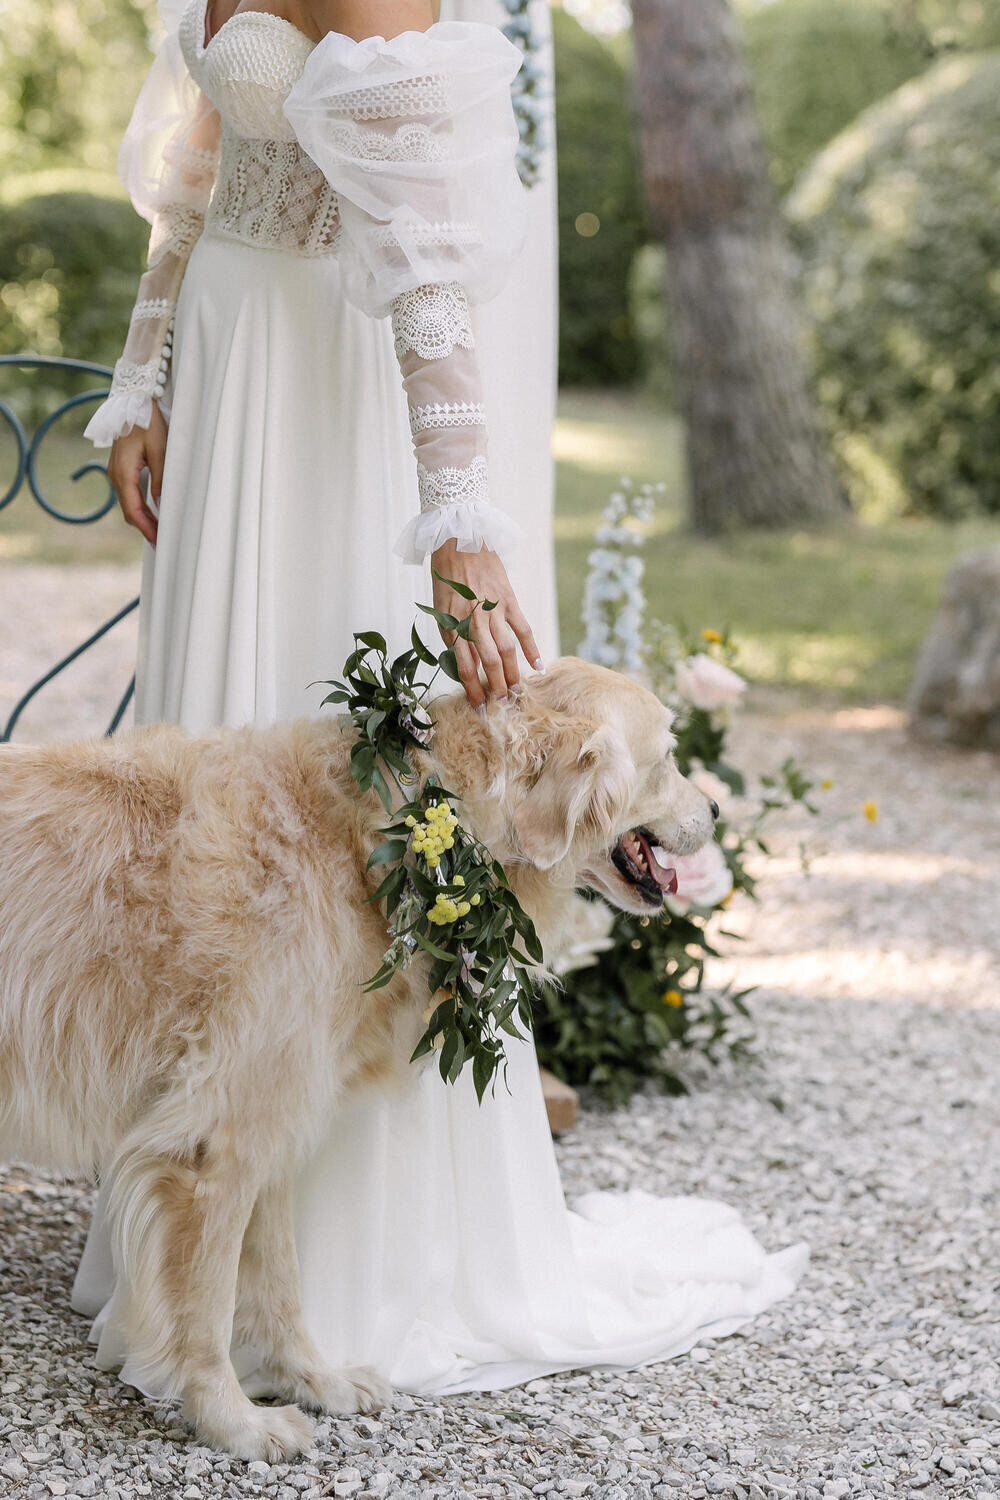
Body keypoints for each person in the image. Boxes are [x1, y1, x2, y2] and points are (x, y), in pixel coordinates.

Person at [73, 0, 808, 1403]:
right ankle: (184, 1237)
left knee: (346, 802)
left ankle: (354, 1265)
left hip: (332, 395)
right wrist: (144, 369)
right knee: (215, 831)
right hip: (233, 360)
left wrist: (460, 520)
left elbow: (425, 255)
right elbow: (202, 157)